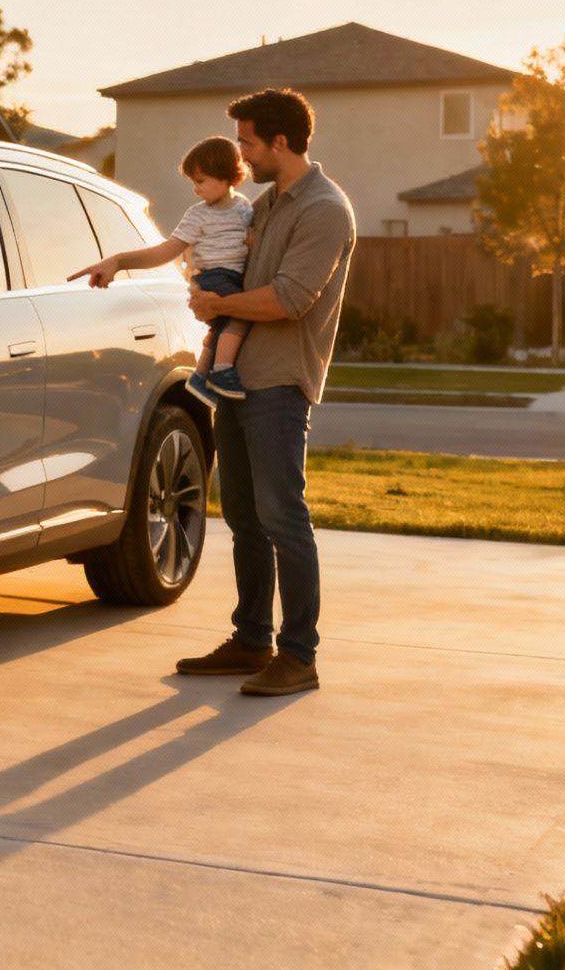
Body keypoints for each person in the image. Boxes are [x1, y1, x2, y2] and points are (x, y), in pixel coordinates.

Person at [172, 87, 356, 697]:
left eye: (248, 141)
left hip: (280, 382)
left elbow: (288, 299)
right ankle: (252, 640)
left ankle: (298, 656)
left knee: (284, 517)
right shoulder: (265, 204)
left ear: (279, 141)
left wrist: (218, 303)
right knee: (247, 519)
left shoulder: (325, 209)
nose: (241, 154)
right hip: (238, 380)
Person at [69, 137, 254, 405]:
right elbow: (166, 251)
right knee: (239, 318)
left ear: (225, 176)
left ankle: (202, 377)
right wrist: (120, 262)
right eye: (193, 182)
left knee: (219, 328)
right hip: (214, 276)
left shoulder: (244, 208)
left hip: (234, 276)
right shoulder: (197, 215)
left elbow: (250, 239)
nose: (195, 189)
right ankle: (223, 372)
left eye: (200, 181)